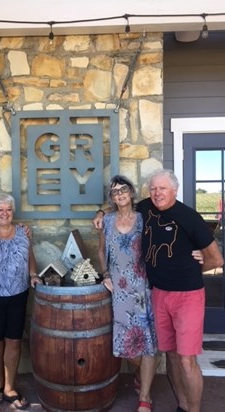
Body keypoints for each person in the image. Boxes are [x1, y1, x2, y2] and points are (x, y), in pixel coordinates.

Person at [93, 169, 224, 412]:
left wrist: (195, 265)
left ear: (174, 190)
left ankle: (180, 406)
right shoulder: (145, 208)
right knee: (169, 353)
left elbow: (216, 260)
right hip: (154, 293)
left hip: (175, 293)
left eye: (162, 189)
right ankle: (180, 405)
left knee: (184, 358)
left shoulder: (186, 216)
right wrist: (100, 213)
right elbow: (109, 229)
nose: (157, 193)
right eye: (153, 189)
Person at [98, 175, 157, 412]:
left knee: (148, 341)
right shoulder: (108, 221)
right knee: (129, 345)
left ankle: (145, 396)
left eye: (124, 189)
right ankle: (140, 375)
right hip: (119, 290)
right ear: (111, 198)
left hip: (142, 287)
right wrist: (105, 274)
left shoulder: (144, 218)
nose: (120, 194)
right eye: (115, 191)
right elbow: (102, 251)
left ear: (132, 193)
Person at [0, 192, 42, 409]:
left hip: (18, 294)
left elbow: (29, 256)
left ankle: (10, 386)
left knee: (14, 340)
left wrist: (33, 274)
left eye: (8, 209)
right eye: (0, 209)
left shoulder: (23, 232)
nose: (4, 213)